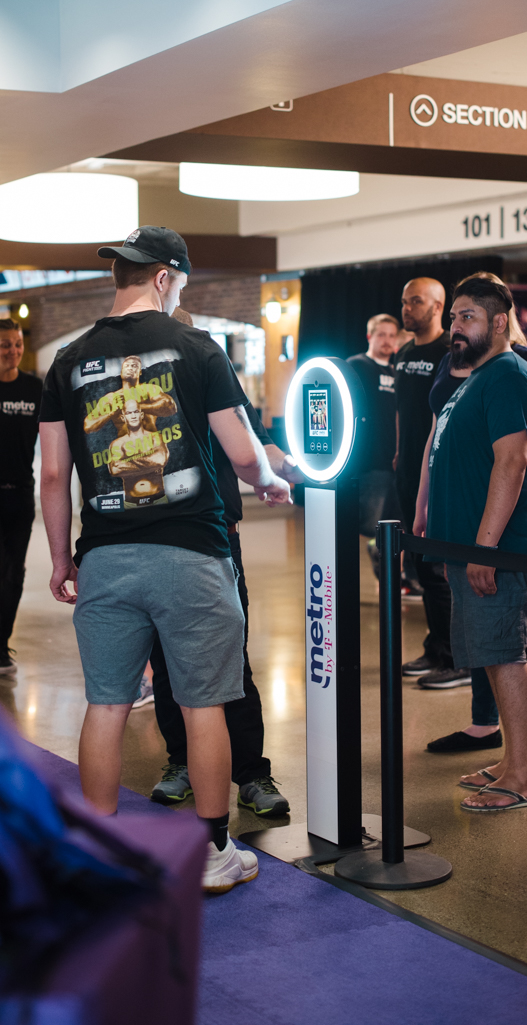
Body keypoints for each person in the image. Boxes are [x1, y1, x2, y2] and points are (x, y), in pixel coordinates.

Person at [39, 225, 291, 893]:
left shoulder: (66, 360)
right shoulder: (194, 346)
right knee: (204, 702)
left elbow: (53, 475)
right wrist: (268, 480)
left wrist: (62, 557)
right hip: (191, 552)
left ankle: (98, 850)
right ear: (165, 277)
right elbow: (241, 450)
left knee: (107, 704)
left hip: (105, 556)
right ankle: (211, 853)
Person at [148, 306, 296, 817]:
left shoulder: (219, 387)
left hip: (218, 541)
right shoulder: (148, 404)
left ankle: (252, 773)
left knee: (232, 660)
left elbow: (263, 448)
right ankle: (182, 762)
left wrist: (302, 469)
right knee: (167, 661)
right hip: (160, 544)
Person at [427, 275, 527, 811]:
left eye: (467, 317)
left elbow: (514, 460)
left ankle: (523, 778)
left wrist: (484, 547)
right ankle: (512, 758)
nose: (455, 326)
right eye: (453, 317)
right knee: (494, 656)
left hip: (496, 550)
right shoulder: (477, 376)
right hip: (472, 549)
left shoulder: (508, 373)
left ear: (498, 322)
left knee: (504, 657)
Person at [395, 277, 470, 689]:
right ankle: (437, 644)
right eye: (405, 302)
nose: (408, 308)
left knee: (442, 570)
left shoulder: (450, 352)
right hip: (407, 470)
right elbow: (402, 411)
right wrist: (397, 453)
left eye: (416, 301)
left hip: (437, 475)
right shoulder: (405, 352)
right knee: (423, 567)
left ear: (438, 305)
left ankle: (456, 656)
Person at [0, 318, 43, 675]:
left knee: (14, 573)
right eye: (5, 345)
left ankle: (1, 646)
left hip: (20, 497)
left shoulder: (34, 389)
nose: (13, 351)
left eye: (17, 344)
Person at [347, 315, 400, 568]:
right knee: (370, 525)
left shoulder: (398, 370)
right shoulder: (356, 366)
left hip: (397, 461)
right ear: (370, 336)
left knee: (397, 525)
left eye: (392, 335)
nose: (387, 340)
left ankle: (397, 579)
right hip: (370, 462)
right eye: (382, 334)